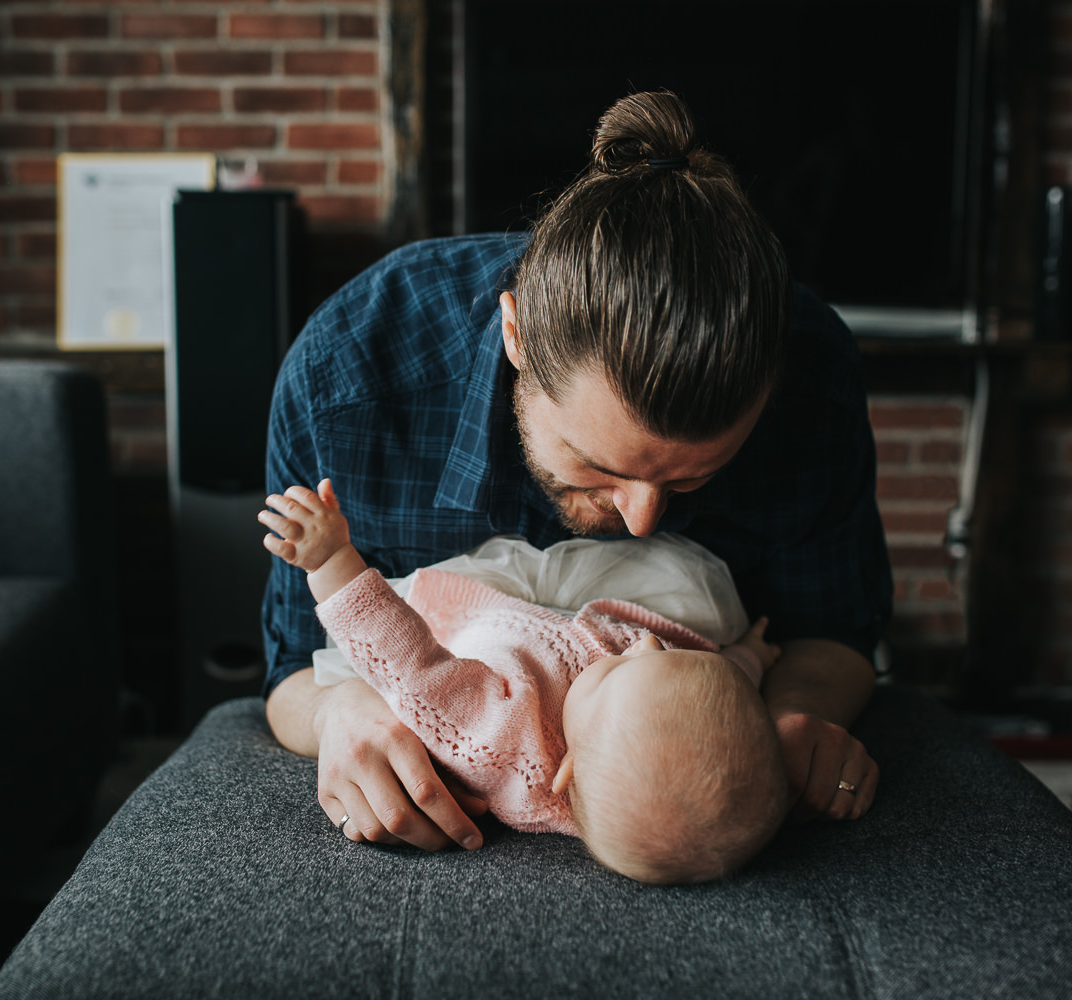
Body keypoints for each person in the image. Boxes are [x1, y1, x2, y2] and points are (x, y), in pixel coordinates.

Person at [262, 90, 892, 853]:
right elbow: (293, 667)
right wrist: (340, 712)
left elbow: (833, 634)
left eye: (695, 480)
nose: (643, 521)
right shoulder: (350, 376)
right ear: (516, 335)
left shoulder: (812, 377)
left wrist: (795, 717)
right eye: (598, 469)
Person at [261, 479, 789, 884]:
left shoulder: (500, 739)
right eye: (665, 656)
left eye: (623, 668)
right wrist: (750, 657)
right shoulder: (643, 728)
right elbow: (721, 687)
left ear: (568, 771)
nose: (645, 645)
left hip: (461, 626)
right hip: (559, 607)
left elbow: (409, 662)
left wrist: (332, 560)